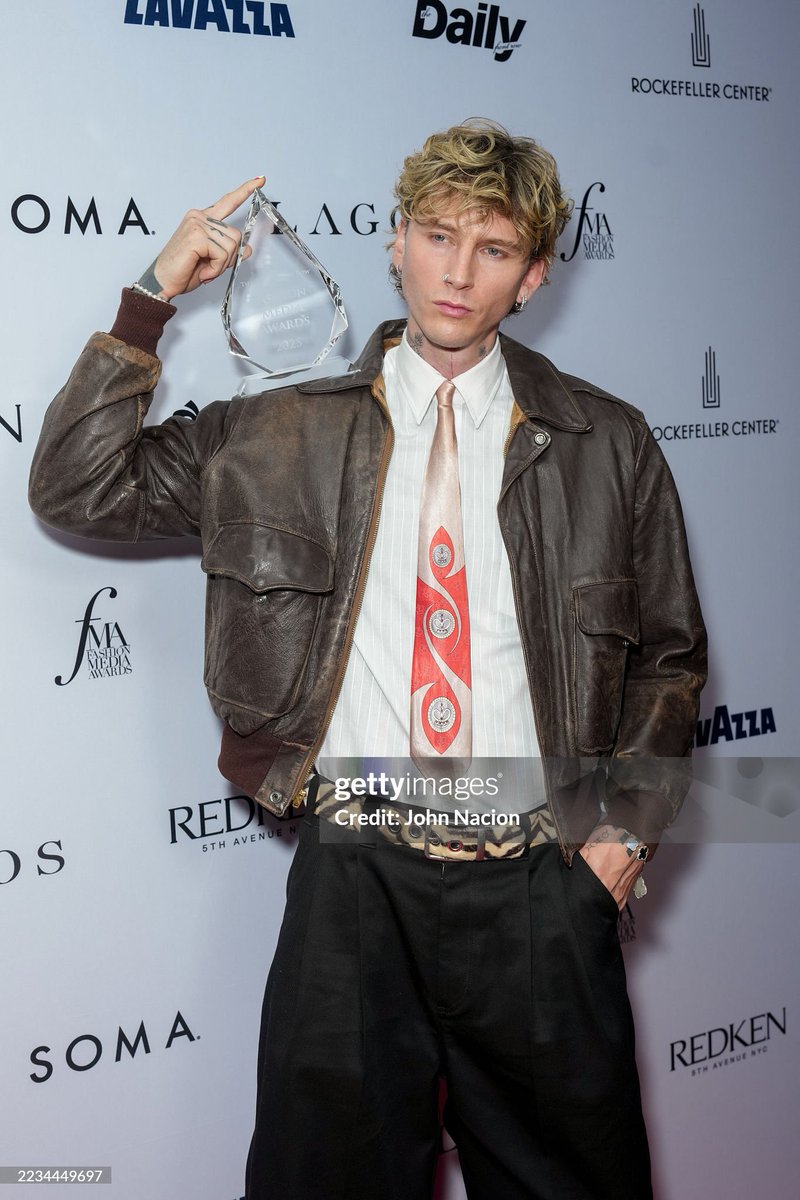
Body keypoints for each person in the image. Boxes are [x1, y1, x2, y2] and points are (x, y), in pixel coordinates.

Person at [29, 120, 706, 1200]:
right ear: (393, 242)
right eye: (437, 236)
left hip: (542, 884)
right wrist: (151, 296)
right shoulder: (274, 432)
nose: (456, 270)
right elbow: (74, 487)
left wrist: (621, 837)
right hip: (353, 877)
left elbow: (669, 660)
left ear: (531, 276)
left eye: (491, 249)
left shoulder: (605, 443)